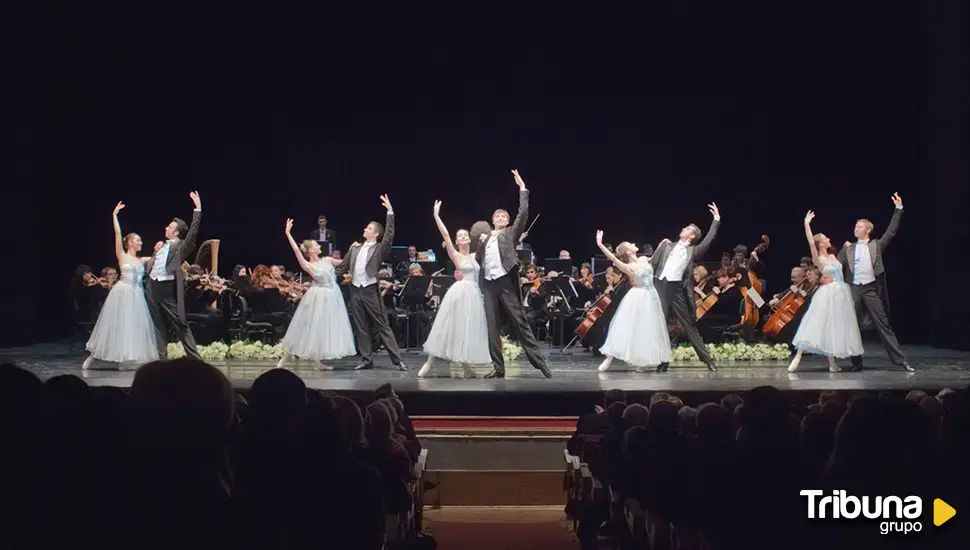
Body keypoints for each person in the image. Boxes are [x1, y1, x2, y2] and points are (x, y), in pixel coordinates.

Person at [471, 170, 551, 379]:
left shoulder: (510, 233)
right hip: (488, 284)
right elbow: (479, 259)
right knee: (491, 326)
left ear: (507, 221)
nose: (500, 218)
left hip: (505, 281)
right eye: (497, 216)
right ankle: (498, 368)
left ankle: (539, 362)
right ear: (492, 220)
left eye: (503, 216)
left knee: (519, 321)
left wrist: (522, 189)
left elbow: (523, 214)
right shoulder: (485, 237)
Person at [837, 193, 912, 372]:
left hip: (870, 288)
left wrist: (898, 209)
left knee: (883, 324)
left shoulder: (876, 245)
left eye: (859, 226)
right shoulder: (849, 248)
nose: (856, 228)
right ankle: (856, 362)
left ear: (867, 230)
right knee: (853, 325)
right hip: (854, 289)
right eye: (855, 226)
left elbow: (891, 231)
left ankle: (900, 361)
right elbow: (836, 264)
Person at [82, 202, 159, 369]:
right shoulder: (122, 256)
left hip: (136, 296)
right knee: (113, 325)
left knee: (132, 327)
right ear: (130, 242)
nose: (141, 242)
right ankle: (94, 356)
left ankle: (126, 359)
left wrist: (161, 247)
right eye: (138, 240)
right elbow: (118, 233)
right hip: (122, 294)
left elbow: (158, 256)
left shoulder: (141, 260)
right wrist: (114, 215)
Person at [417, 201, 490, 378]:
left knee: (468, 329)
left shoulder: (476, 254)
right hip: (459, 292)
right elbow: (445, 235)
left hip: (473, 294)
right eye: (460, 235)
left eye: (466, 235)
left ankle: (466, 365)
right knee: (446, 326)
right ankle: (430, 362)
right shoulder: (455, 254)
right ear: (457, 241)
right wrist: (436, 216)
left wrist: (485, 240)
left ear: (469, 239)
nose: (463, 237)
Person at [335, 195, 407, 371]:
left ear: (375, 233)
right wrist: (325, 277)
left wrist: (390, 212)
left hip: (370, 290)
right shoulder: (355, 248)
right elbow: (341, 267)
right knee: (361, 326)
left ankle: (397, 360)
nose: (365, 229)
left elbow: (389, 235)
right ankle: (367, 359)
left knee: (382, 324)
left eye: (369, 228)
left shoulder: (379, 248)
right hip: (355, 290)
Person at [788, 211, 864, 373]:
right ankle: (798, 356)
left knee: (833, 327)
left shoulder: (832, 256)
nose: (829, 239)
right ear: (821, 243)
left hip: (841, 293)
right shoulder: (819, 260)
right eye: (826, 238)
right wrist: (806, 224)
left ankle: (832, 364)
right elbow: (810, 243)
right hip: (828, 294)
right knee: (816, 323)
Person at [276, 219, 356, 369]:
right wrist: (287, 233)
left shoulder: (327, 259)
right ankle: (287, 356)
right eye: (317, 245)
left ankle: (318, 362)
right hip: (318, 296)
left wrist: (352, 248)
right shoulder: (308, 265)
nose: (320, 246)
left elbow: (345, 261)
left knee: (323, 329)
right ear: (311, 250)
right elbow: (296, 250)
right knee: (307, 326)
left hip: (333, 295)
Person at [650, 203, 721, 372]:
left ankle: (708, 360)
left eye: (688, 228)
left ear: (692, 236)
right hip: (660, 286)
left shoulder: (693, 251)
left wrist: (716, 219)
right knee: (661, 326)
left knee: (689, 325)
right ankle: (663, 361)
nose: (683, 228)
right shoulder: (666, 246)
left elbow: (709, 240)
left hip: (676, 290)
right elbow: (653, 264)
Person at [594, 231, 671, 372]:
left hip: (651, 296)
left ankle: (640, 360)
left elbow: (654, 258)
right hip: (637, 297)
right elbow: (612, 258)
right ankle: (609, 358)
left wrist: (661, 245)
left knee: (646, 328)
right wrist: (599, 243)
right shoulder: (629, 267)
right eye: (631, 245)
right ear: (628, 252)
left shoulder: (642, 260)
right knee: (626, 326)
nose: (635, 245)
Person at [145, 191, 202, 360]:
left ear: (176, 233)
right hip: (151, 286)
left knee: (180, 323)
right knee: (157, 325)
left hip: (166, 288)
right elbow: (155, 263)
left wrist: (198, 209)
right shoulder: (162, 245)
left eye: (170, 227)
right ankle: (161, 360)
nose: (166, 228)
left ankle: (195, 359)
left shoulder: (181, 246)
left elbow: (192, 234)